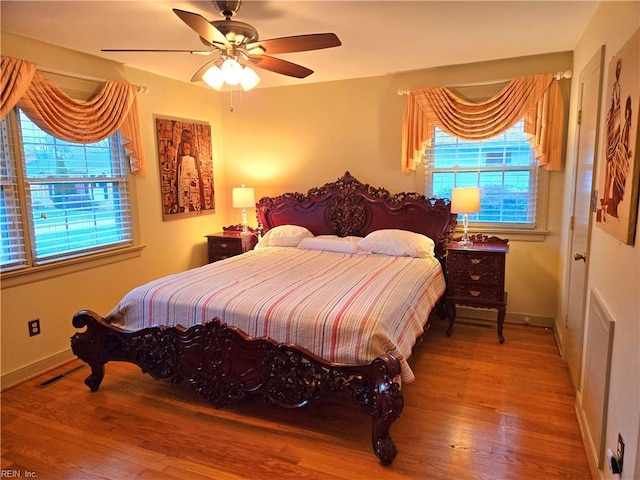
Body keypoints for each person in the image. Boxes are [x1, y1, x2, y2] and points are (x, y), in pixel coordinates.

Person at [175, 129, 205, 213]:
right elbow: (179, 163)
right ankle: (186, 206)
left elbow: (197, 165)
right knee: (184, 190)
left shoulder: (194, 150)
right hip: (184, 174)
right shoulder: (181, 149)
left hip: (192, 173)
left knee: (193, 191)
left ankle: (194, 205)